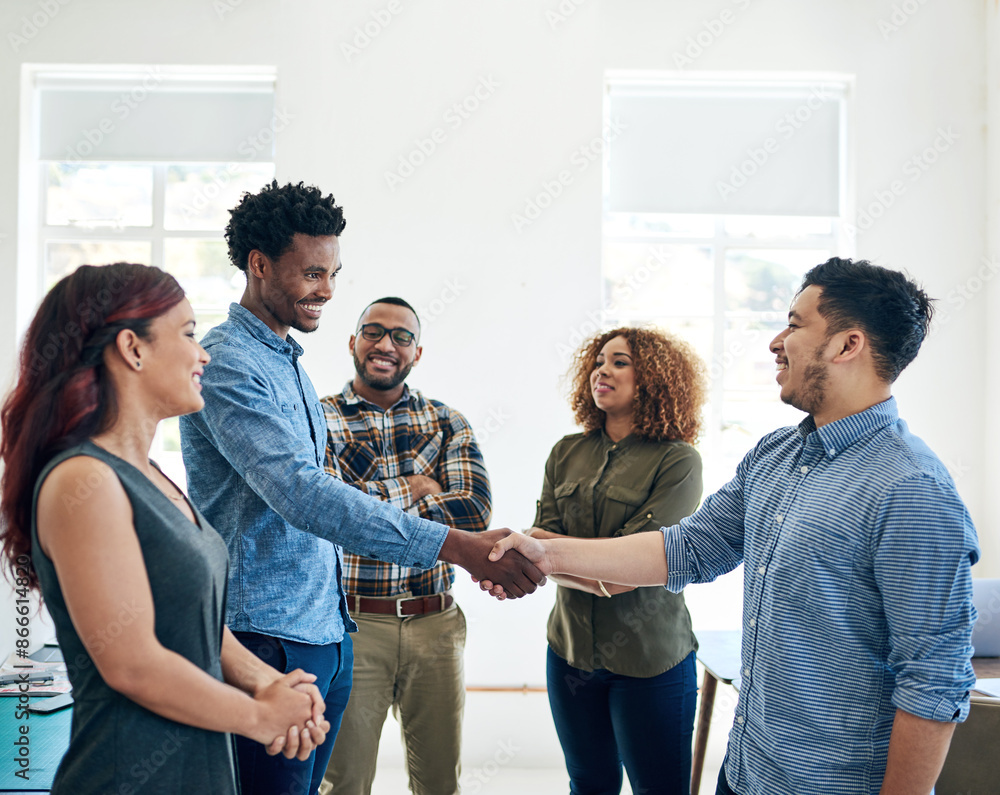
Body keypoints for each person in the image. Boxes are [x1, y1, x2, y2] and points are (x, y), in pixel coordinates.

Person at [485, 258, 980, 795]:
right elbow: (686, 549)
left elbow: (933, 679)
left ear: (846, 345)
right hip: (747, 770)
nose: (776, 342)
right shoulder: (777, 454)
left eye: (794, 324)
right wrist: (543, 554)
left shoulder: (911, 487)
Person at [178, 181, 542, 795]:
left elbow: (347, 494)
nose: (327, 292)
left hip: (325, 628)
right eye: (313, 274)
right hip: (266, 637)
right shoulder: (232, 362)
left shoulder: (285, 358)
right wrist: (456, 544)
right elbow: (306, 494)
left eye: (334, 274)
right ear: (260, 266)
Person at [0, 263, 331, 794]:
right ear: (133, 348)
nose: (203, 354)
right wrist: (260, 717)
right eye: (188, 333)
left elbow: (195, 623)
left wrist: (271, 685)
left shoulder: (152, 476)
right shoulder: (83, 480)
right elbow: (132, 665)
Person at [319, 297, 491, 795]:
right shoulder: (319, 418)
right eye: (373, 332)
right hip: (354, 624)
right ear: (353, 342)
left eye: (401, 336)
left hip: (435, 625)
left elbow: (475, 512)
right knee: (343, 782)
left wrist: (368, 507)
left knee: (439, 781)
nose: (385, 344)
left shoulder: (447, 421)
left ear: (417, 353)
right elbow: (331, 516)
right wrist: (419, 487)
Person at [528, 327, 707, 795]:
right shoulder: (566, 452)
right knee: (589, 783)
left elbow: (641, 568)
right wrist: (585, 561)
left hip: (651, 660)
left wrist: (553, 553)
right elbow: (537, 545)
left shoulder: (679, 461)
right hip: (568, 652)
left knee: (660, 789)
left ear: (652, 380)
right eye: (600, 360)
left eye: (620, 361)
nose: (602, 370)